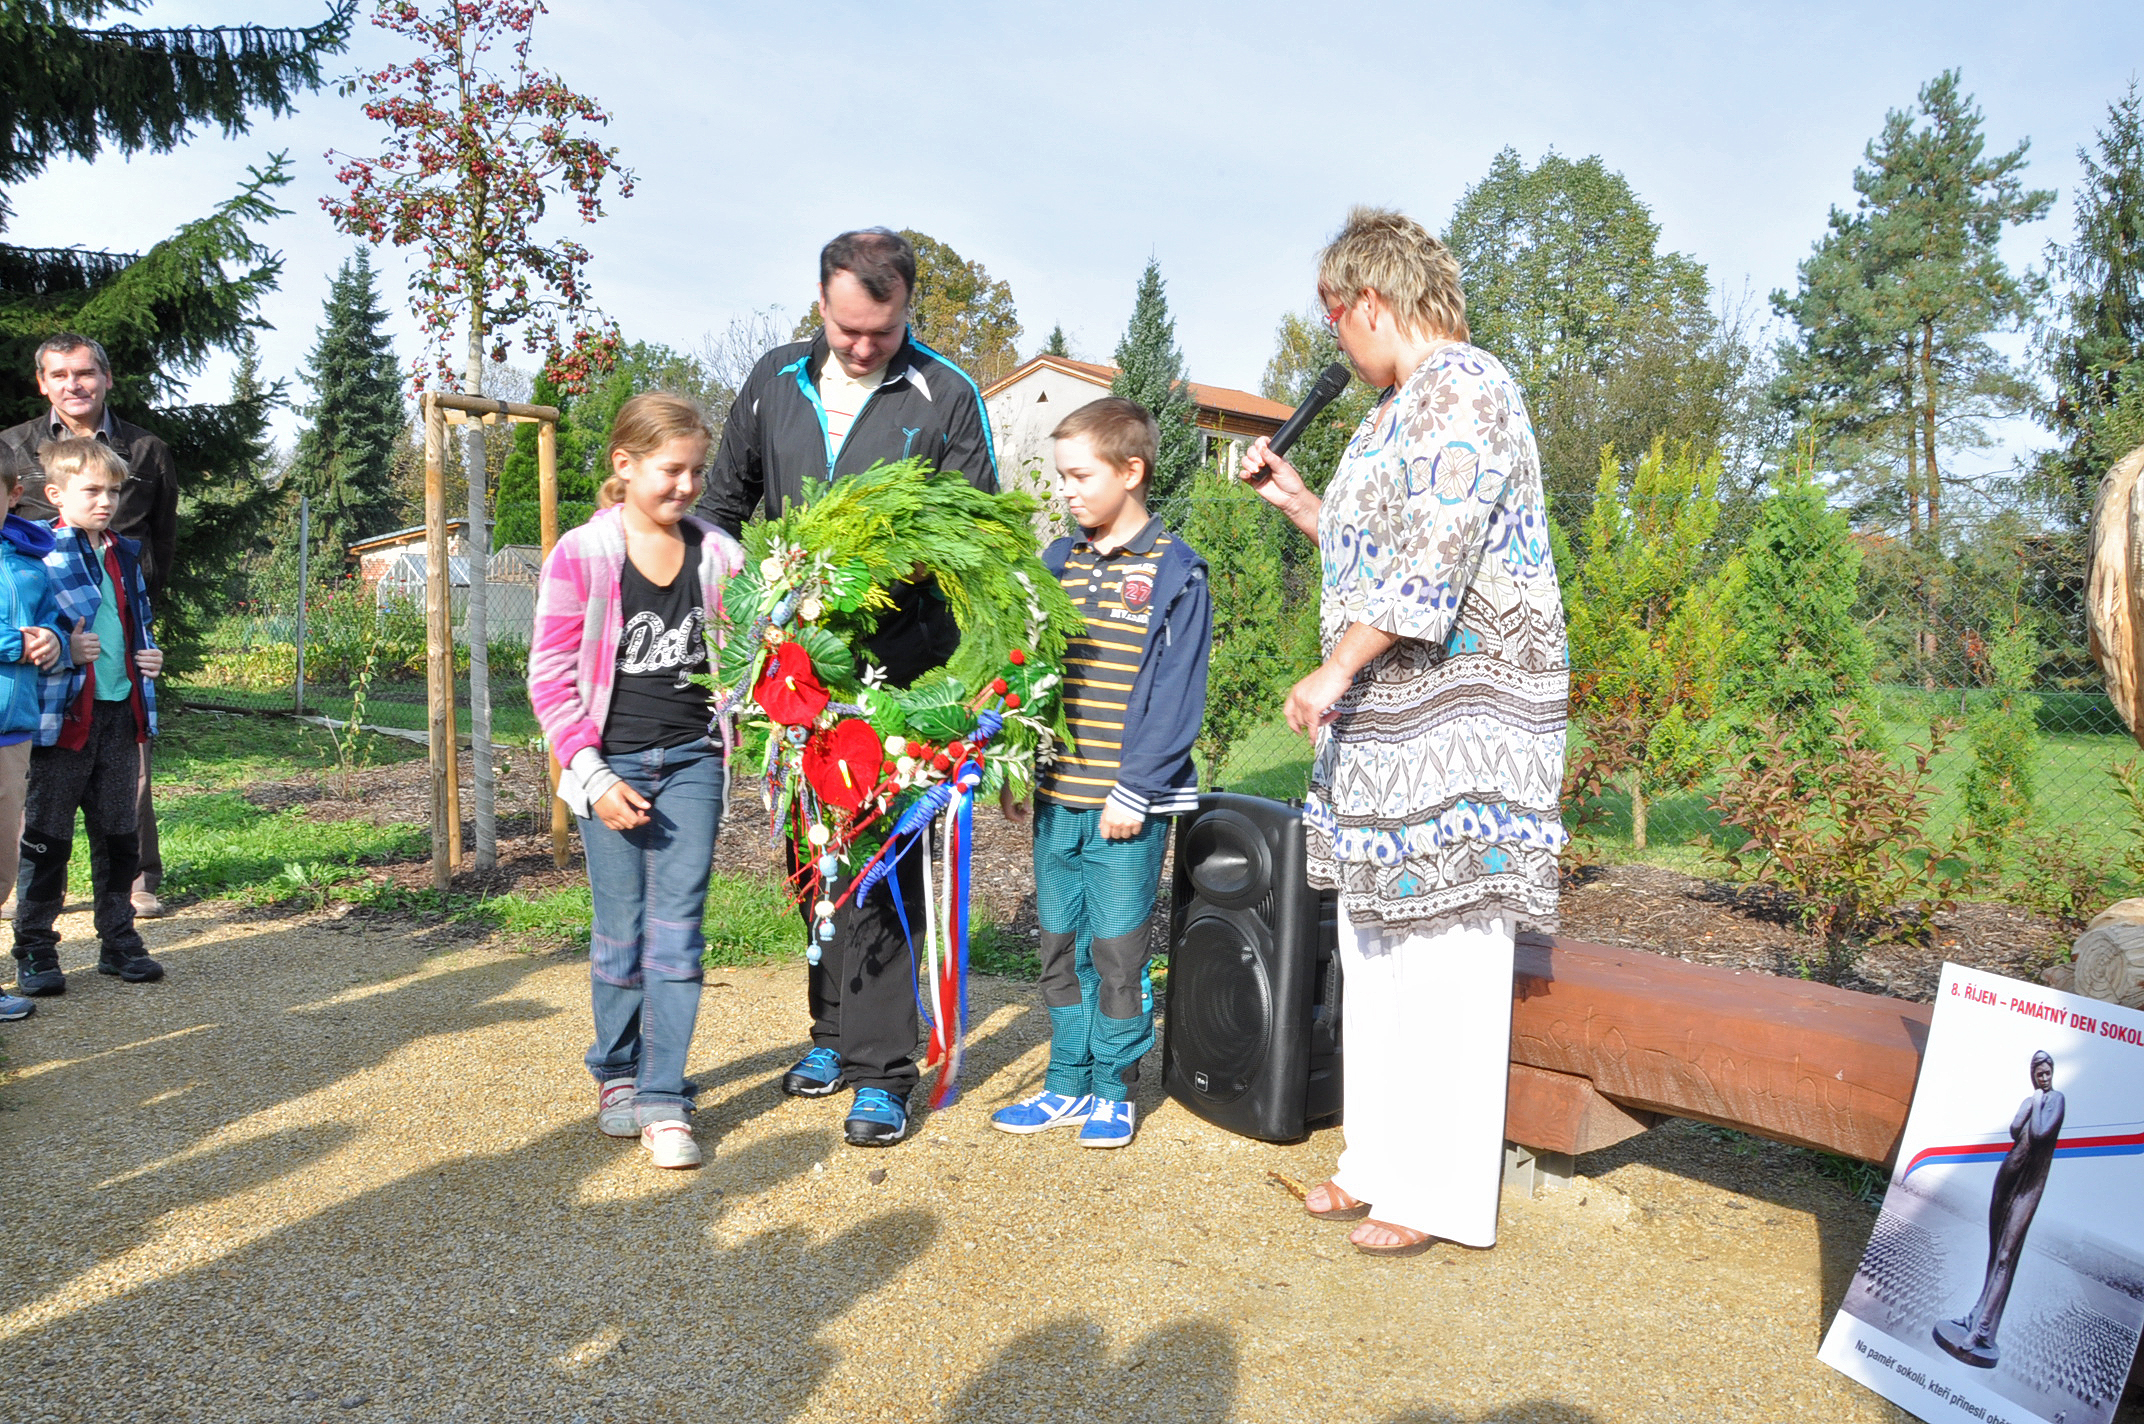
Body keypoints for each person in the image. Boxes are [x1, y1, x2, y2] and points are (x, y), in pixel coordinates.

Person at [1237, 207, 1567, 1257]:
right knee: (1374, 938)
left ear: (1369, 305)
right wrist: (1302, 502)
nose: (1334, 340)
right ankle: (1373, 1161)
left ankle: (1438, 1189)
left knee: (1449, 945)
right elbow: (1371, 541)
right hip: (1389, 718)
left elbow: (1434, 551)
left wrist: (1333, 665)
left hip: (1463, 713)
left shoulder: (1467, 386)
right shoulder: (1389, 412)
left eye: (1335, 320)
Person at [697, 227, 998, 1149]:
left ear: (909, 308)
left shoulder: (945, 394)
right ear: (820, 304)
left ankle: (882, 1073)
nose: (861, 347)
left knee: (874, 868)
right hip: (790, 672)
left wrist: (884, 594)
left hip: (896, 678)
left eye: (881, 329)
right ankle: (832, 1033)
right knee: (811, 853)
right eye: (844, 328)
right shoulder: (774, 378)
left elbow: (979, 540)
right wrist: (736, 602)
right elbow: (720, 507)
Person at [530, 393, 744, 1170]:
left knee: (677, 927)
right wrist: (589, 777)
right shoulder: (582, 555)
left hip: (692, 760)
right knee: (621, 928)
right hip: (606, 766)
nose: (686, 485)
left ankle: (662, 1095)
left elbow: (750, 660)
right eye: (669, 469)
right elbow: (551, 679)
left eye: (696, 470)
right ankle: (615, 1073)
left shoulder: (721, 556)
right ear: (624, 467)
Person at [989, 398, 1210, 1149]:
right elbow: (1033, 679)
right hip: (1059, 798)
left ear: (1131, 470)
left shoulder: (1176, 571)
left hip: (1125, 808)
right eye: (1063, 477)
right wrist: (1016, 768)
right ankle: (1065, 1084)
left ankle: (1114, 1088)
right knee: (1060, 947)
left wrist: (1135, 788)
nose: (1068, 491)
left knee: (1116, 953)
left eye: (1081, 476)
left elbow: (1179, 696)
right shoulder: (1057, 563)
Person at [0, 334, 180, 920]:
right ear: (43, 384)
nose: (73, 384)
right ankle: (29, 891)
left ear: (105, 377)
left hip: (122, 624)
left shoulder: (145, 449)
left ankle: (137, 880)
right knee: (43, 768)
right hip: (44, 639)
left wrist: (142, 630)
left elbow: (162, 539)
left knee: (129, 767)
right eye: (60, 375)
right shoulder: (14, 446)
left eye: (85, 373)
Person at [12, 438, 166, 994]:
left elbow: (134, 623)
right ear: (56, 495)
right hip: (64, 722)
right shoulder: (40, 555)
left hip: (121, 715)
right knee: (48, 838)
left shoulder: (123, 552)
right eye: (91, 490)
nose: (105, 501)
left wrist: (150, 656)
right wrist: (61, 648)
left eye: (114, 491)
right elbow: (31, 632)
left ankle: (118, 939)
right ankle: (34, 947)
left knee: (119, 832)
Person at [1933, 1049, 2066, 1367]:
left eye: (2046, 1073)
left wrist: (2034, 1101)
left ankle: (1981, 1331)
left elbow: (2038, 1133)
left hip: (2029, 1185)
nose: (2042, 1078)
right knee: (1995, 1254)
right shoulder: (2032, 1100)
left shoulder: (2056, 1099)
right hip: (2008, 1174)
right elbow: (2014, 1129)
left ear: (2053, 1073)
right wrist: (2029, 1104)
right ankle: (1975, 1316)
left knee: (2006, 1257)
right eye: (2037, 1073)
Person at [0, 457, 67, 1007]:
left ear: (14, 494)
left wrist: (51, 641)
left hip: (10, 732)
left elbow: (56, 625)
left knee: (1, 858)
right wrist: (13, 644)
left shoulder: (30, 562)